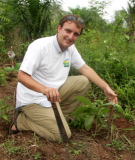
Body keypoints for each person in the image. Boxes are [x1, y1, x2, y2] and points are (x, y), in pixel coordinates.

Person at [10, 14, 118, 142]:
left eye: (76, 34)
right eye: (68, 30)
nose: (71, 37)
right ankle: (22, 122)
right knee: (62, 136)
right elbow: (21, 76)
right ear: (59, 28)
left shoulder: (70, 48)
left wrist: (106, 87)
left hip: (53, 93)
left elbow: (85, 69)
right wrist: (44, 89)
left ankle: (61, 115)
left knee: (83, 82)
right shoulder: (40, 46)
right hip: (33, 98)